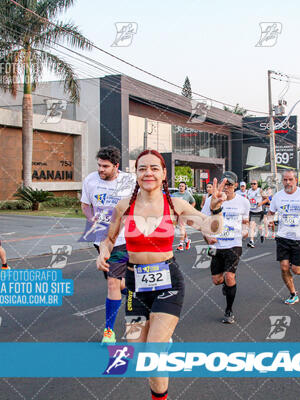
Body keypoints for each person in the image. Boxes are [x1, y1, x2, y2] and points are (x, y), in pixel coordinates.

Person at [96, 150, 225, 400]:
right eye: (143, 168)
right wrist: (103, 252)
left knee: (153, 355)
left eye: (154, 168)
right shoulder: (124, 207)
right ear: (136, 173)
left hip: (168, 281)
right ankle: (163, 341)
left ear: (164, 174)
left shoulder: (175, 205)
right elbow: (109, 240)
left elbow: (212, 229)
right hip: (135, 283)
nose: (148, 173)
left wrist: (217, 208)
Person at [81, 146, 135, 344]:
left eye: (105, 166)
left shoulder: (128, 182)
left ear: (116, 166)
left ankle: (108, 332)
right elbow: (85, 205)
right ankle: (131, 290)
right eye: (99, 165)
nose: (101, 170)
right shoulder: (90, 180)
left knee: (112, 282)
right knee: (116, 282)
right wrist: (91, 218)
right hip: (100, 239)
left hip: (122, 239)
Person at [202, 171, 250, 324]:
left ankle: (229, 311)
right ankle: (226, 286)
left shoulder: (243, 202)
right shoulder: (212, 200)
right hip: (217, 245)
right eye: (224, 183)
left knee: (230, 277)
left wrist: (245, 231)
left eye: (229, 184)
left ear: (236, 185)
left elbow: (245, 222)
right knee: (217, 280)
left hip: (234, 244)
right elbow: (203, 223)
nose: (226, 187)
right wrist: (207, 237)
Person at [268, 171, 300, 305]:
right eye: (285, 180)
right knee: (284, 267)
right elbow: (271, 212)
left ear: (295, 180)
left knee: (296, 269)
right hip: (283, 236)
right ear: (282, 181)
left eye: (290, 179)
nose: (288, 182)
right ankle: (293, 294)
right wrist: (270, 220)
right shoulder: (278, 196)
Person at [172, 182, 196, 251]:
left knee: (181, 227)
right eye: (179, 186)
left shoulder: (187, 195)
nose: (181, 187)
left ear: (185, 187)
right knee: (180, 228)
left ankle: (181, 244)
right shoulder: (174, 194)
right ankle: (187, 240)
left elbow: (193, 202)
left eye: (182, 186)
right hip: (176, 214)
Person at [246, 180, 268, 247]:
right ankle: (251, 241)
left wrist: (260, 203)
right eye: (251, 184)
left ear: (257, 185)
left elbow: (267, 199)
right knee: (251, 226)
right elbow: (247, 199)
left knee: (259, 227)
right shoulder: (248, 191)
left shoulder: (260, 190)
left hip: (259, 211)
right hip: (251, 211)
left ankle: (262, 234)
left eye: (254, 184)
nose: (253, 185)